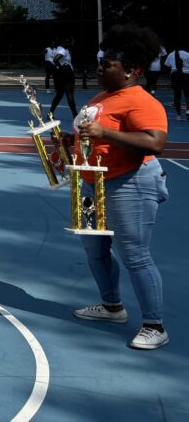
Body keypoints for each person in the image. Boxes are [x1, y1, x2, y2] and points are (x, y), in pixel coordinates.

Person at [72, 24, 169, 350]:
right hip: (88, 185)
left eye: (107, 64)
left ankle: (155, 325)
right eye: (101, 62)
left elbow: (154, 142)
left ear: (132, 70)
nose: (100, 68)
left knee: (135, 255)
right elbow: (91, 137)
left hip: (129, 184)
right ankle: (112, 306)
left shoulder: (141, 101)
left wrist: (105, 134)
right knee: (93, 250)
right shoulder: (102, 97)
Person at [50, 40, 78, 118]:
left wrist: (59, 67)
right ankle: (75, 115)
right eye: (67, 42)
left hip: (60, 74)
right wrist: (61, 67)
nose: (69, 43)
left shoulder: (58, 49)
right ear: (63, 42)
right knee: (69, 94)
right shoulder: (62, 50)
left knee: (59, 94)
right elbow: (55, 59)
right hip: (67, 74)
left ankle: (50, 113)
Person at [164, 43, 189, 120]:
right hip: (186, 75)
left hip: (175, 75)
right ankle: (188, 110)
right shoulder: (187, 54)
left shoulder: (171, 54)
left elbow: (167, 64)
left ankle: (178, 115)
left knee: (177, 95)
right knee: (187, 94)